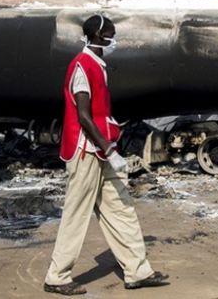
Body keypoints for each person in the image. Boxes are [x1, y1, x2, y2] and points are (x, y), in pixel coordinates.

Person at [44, 15, 168, 295]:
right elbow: (84, 116)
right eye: (111, 34)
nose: (115, 38)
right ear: (98, 37)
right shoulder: (82, 66)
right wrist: (110, 150)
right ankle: (57, 276)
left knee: (121, 209)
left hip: (100, 150)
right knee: (77, 213)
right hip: (87, 151)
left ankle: (137, 271)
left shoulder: (97, 65)